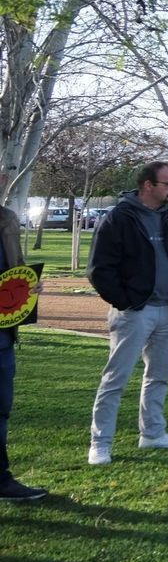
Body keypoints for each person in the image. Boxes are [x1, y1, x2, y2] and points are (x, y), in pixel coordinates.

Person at [86, 161, 168, 465]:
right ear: (148, 185)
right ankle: (100, 443)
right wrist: (125, 302)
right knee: (115, 379)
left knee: (160, 375)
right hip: (135, 312)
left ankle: (153, 434)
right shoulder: (120, 218)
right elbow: (99, 269)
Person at [0, 171, 46, 500]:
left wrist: (29, 285)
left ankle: (0, 479)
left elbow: (16, 267)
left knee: (1, 409)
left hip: (3, 336)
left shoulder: (7, 219)